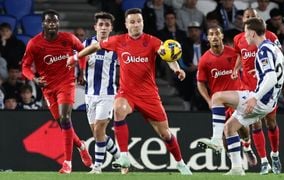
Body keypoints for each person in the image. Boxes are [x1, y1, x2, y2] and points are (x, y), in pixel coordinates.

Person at [67, 8, 192, 175]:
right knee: (119, 110)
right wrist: (75, 58)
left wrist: (177, 69)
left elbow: (168, 56)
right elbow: (96, 46)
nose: (136, 25)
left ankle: (180, 163)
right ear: (126, 25)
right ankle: (124, 156)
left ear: (142, 23)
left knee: (166, 134)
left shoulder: (153, 41)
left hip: (149, 95)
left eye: (139, 21)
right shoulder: (118, 41)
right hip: (127, 93)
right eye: (132, 22)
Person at [210, 17, 284, 175]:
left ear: (252, 33)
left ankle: (216, 140)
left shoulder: (263, 50)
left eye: (245, 33)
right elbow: (282, 63)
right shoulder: (273, 47)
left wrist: (255, 97)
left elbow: (271, 77)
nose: (243, 37)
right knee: (230, 128)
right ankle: (237, 168)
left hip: (260, 101)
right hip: (270, 102)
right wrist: (260, 74)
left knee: (217, 97)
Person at [21, 9, 92, 174]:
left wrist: (81, 72)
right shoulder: (34, 43)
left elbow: (83, 53)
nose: (52, 24)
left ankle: (67, 163)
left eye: (55, 21)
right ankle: (81, 146)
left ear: (58, 23)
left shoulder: (68, 39)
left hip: (66, 84)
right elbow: (24, 67)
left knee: (65, 118)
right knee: (62, 123)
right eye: (49, 21)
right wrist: (34, 78)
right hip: (48, 88)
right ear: (43, 24)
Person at [233, 8, 282, 175]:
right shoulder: (238, 39)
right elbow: (240, 56)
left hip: (267, 87)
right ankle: (264, 161)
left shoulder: (270, 38)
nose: (249, 19)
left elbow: (279, 58)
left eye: (252, 17)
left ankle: (274, 154)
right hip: (248, 86)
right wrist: (236, 68)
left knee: (271, 122)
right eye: (247, 17)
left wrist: (263, 72)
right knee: (255, 123)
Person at [82, 12, 122, 174]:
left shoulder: (117, 48)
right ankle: (120, 157)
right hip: (89, 94)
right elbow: (77, 62)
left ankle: (97, 166)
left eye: (107, 25)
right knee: (99, 133)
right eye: (101, 24)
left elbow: (127, 66)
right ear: (95, 27)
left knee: (99, 130)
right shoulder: (86, 44)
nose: (104, 27)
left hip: (107, 94)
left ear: (111, 28)